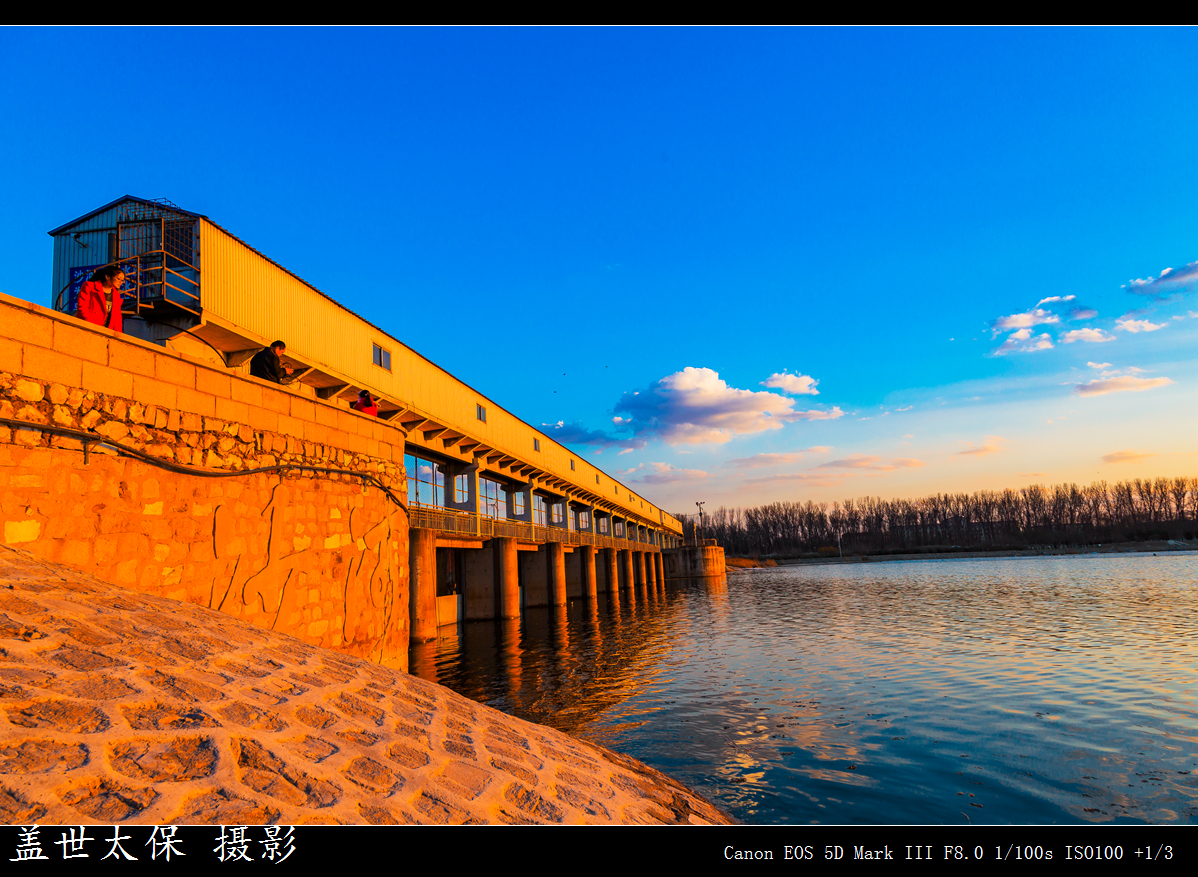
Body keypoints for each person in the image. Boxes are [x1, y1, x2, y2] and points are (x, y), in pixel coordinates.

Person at [75, 265, 127, 332]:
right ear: (107, 277)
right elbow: (82, 308)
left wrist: (118, 334)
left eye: (122, 280)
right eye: (118, 279)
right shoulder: (90, 286)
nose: (121, 282)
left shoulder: (116, 295)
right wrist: (93, 327)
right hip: (87, 328)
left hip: (105, 333)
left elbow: (117, 319)